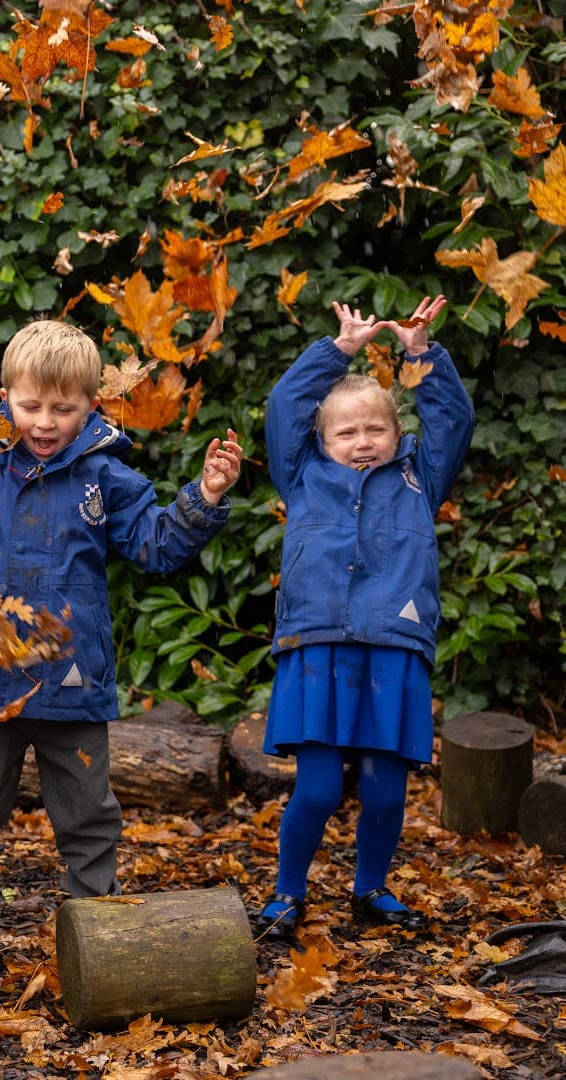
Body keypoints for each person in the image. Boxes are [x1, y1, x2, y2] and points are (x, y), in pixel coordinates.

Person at [0, 319, 243, 971]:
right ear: (4, 396)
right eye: (30, 405)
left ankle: (96, 935)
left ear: (90, 407)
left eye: (62, 409)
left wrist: (202, 498)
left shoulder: (104, 477)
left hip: (73, 684)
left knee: (88, 818)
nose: (43, 421)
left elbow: (153, 546)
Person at [252, 295, 472, 941]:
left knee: (383, 792)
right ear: (320, 441)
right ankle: (286, 896)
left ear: (395, 433)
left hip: (393, 645)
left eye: (373, 429)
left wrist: (420, 353)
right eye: (345, 432)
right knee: (316, 789)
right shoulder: (300, 475)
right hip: (316, 641)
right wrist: (339, 350)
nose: (361, 441)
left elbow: (452, 418)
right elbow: (283, 407)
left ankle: (369, 889)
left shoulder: (418, 477)